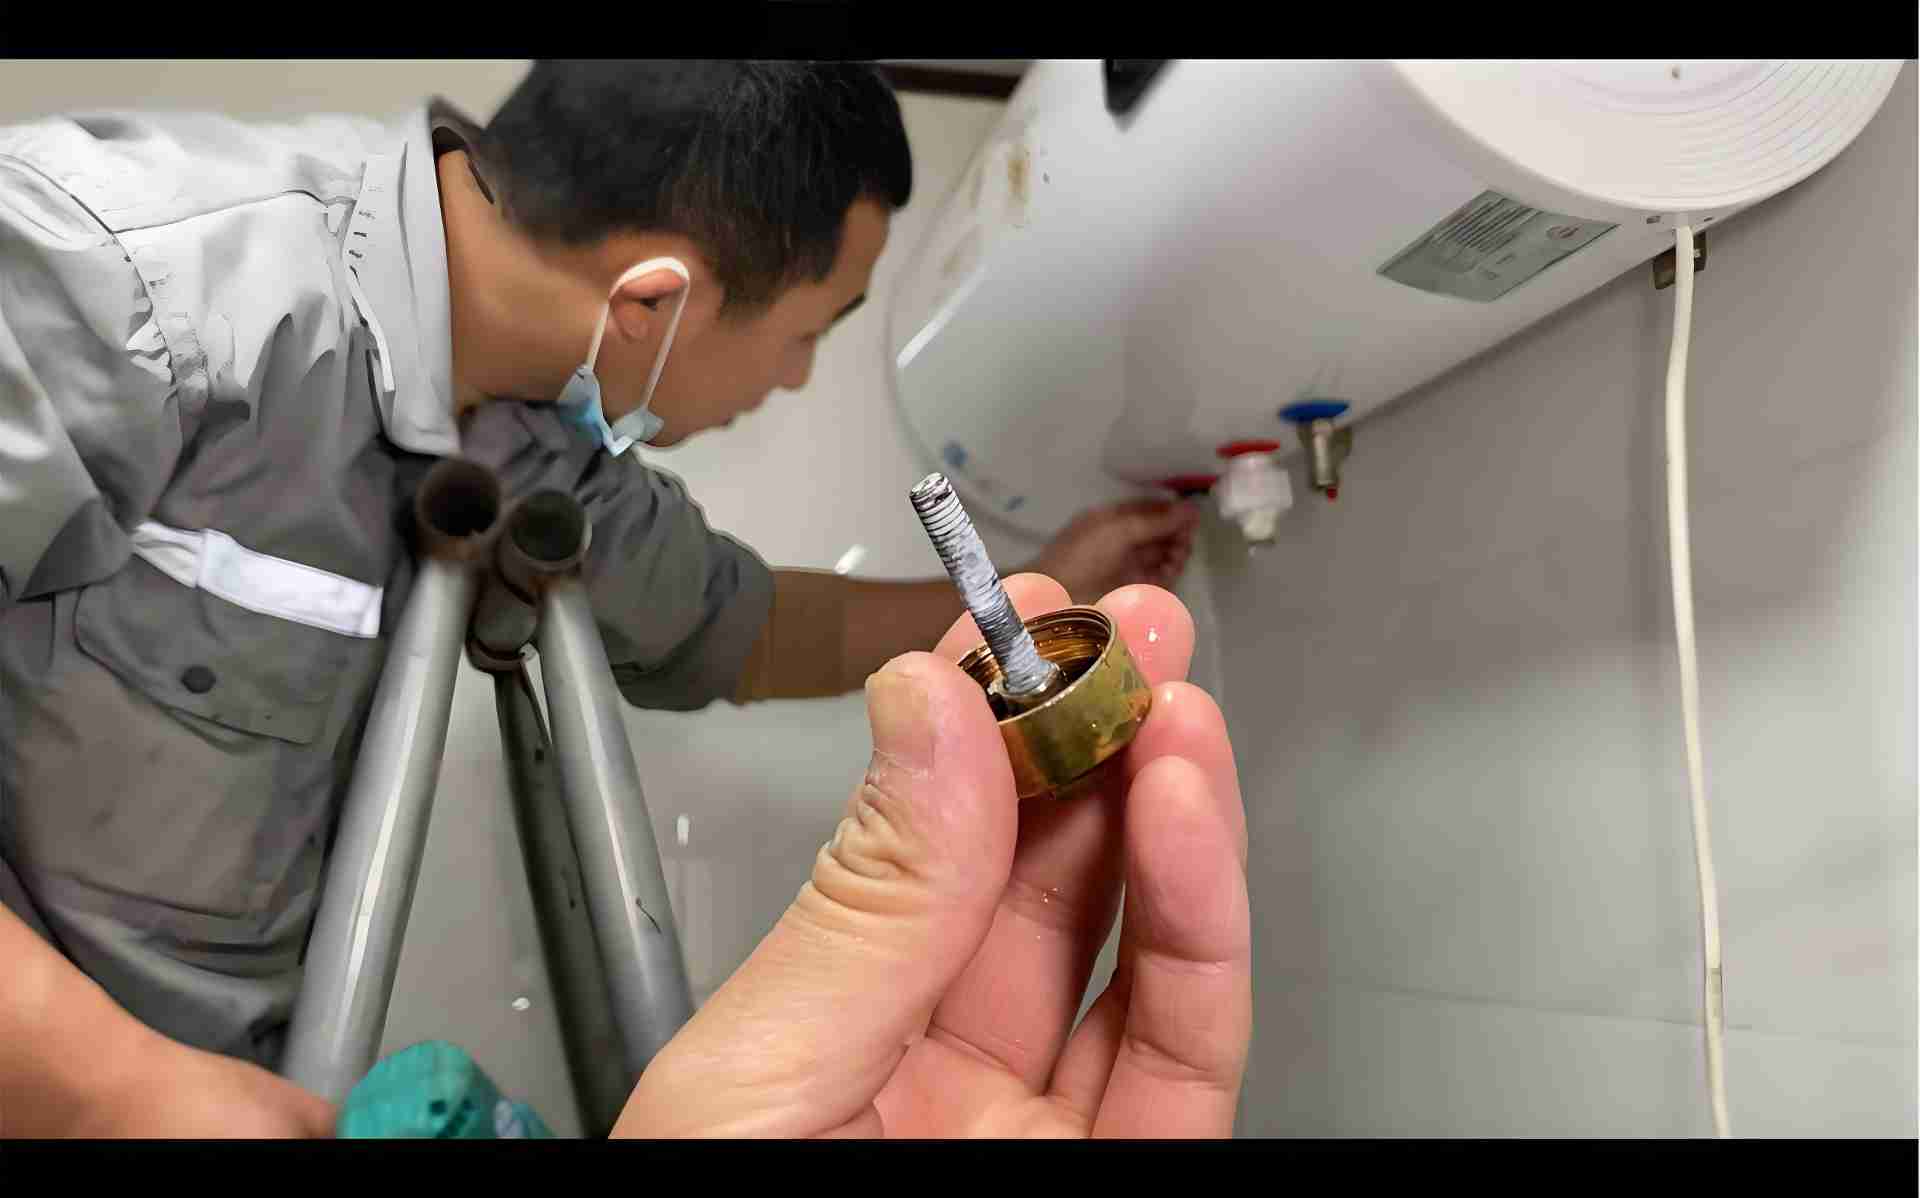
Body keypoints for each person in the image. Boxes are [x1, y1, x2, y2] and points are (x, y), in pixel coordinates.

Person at [0, 60, 1223, 1137]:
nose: (796, 379)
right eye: (807, 332)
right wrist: (112, 1092)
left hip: (235, 1068)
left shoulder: (542, 432)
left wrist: (1052, 576)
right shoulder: (119, 278)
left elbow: (749, 630)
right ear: (654, 300)